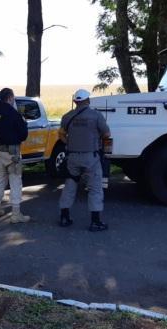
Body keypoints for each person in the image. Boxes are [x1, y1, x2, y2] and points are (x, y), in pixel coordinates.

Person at [58, 89, 111, 231]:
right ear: (88, 100)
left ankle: (64, 217)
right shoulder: (96, 116)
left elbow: (61, 135)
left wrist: (69, 143)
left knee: (69, 186)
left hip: (72, 157)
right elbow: (107, 134)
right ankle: (95, 222)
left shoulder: (67, 116)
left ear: (75, 101)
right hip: (90, 158)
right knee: (95, 188)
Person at [0, 88, 30, 223]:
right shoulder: (13, 113)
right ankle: (16, 214)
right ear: (10, 97)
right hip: (12, 153)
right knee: (15, 182)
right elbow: (23, 135)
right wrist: (23, 123)